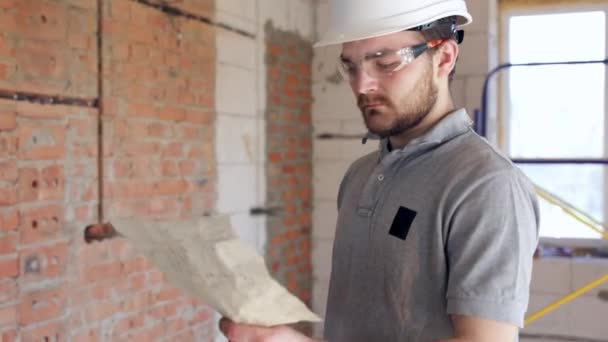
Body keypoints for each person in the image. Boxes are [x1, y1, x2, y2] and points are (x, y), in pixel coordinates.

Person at [220, 0, 540, 341]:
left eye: (386, 63)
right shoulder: (359, 175)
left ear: (443, 58)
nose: (362, 85)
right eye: (350, 66)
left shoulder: (486, 185)